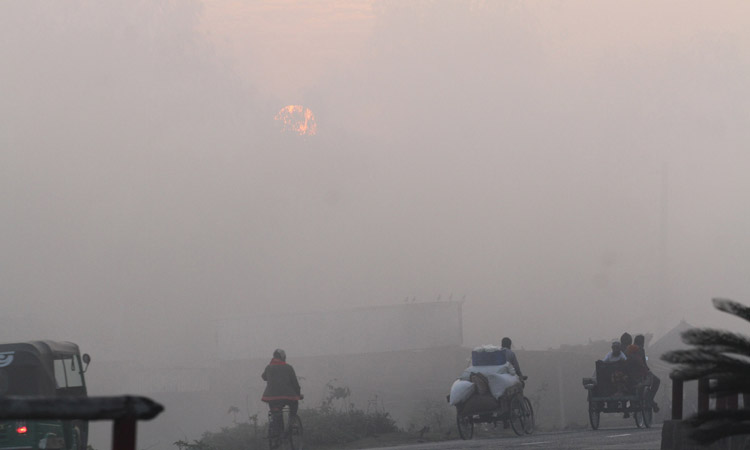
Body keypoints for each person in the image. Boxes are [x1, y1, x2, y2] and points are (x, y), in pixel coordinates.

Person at [262, 349, 302, 419]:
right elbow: (295, 384)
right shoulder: (289, 368)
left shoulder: (269, 367)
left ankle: (275, 425)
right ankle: (292, 421)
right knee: (294, 404)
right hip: (288, 397)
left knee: (275, 413)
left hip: (272, 398)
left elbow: (264, 377)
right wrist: (298, 395)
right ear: (283, 357)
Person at [632, 334, 661, 412]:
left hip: (630, 375)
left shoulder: (628, 350)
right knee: (657, 381)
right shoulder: (641, 350)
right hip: (640, 375)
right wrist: (648, 370)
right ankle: (650, 399)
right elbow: (643, 363)